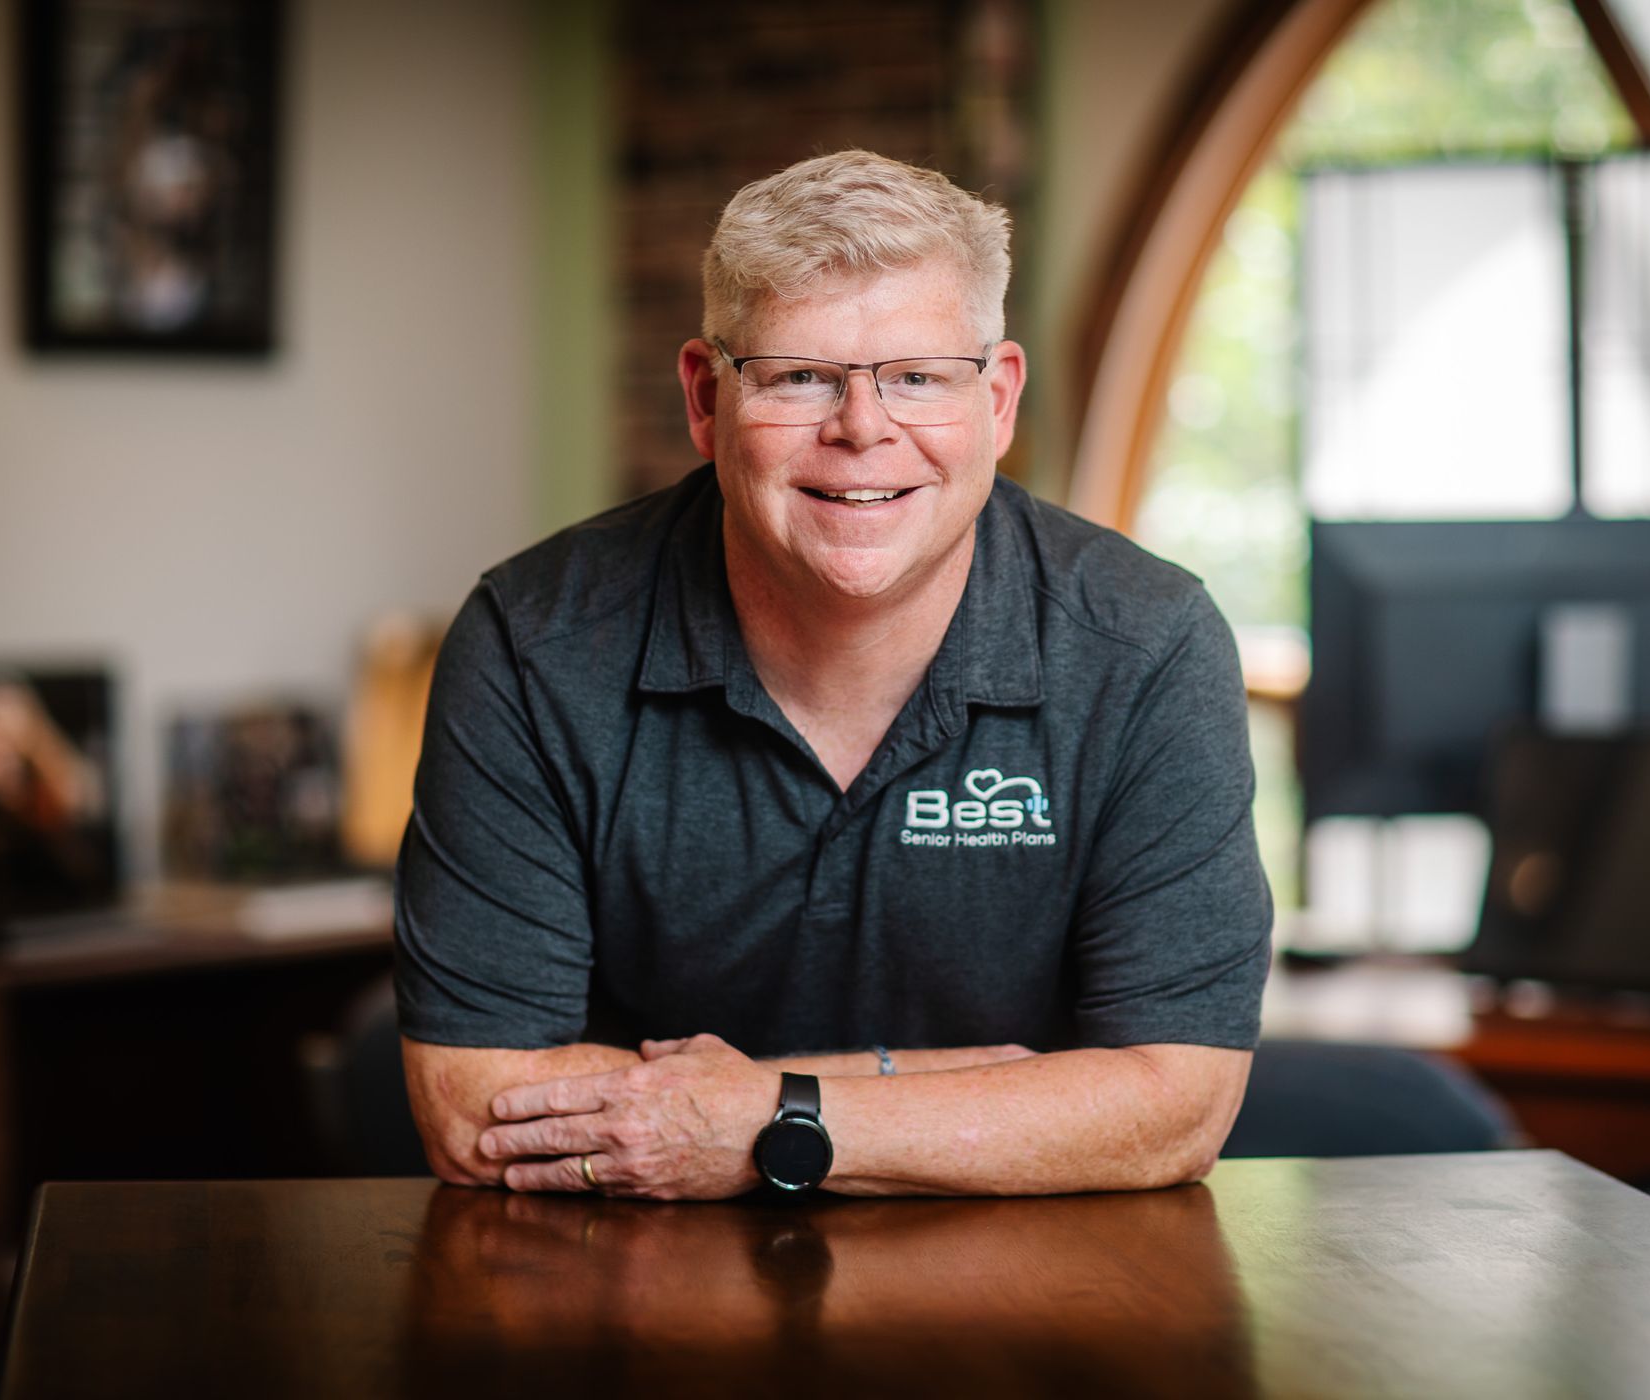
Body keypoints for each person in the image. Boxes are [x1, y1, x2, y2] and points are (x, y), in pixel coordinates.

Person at [394, 150, 1271, 1200]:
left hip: (1029, 1286)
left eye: (919, 376)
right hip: (635, 1279)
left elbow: (1177, 1103)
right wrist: (964, 1093)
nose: (862, 428)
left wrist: (758, 1117)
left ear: (997, 400)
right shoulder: (534, 641)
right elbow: (473, 1103)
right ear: (705, 399)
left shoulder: (1147, 644)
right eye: (798, 375)